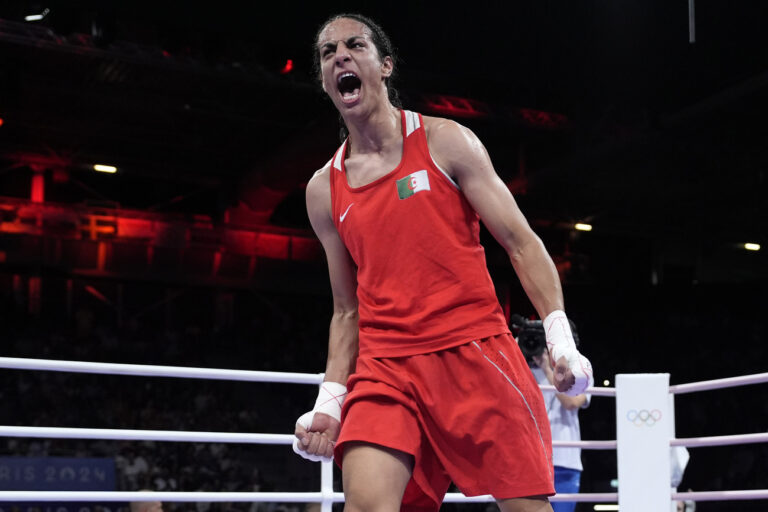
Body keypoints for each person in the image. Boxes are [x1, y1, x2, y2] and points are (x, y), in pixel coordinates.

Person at [293, 13, 593, 512]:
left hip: (475, 350)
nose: (340, 55)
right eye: (328, 52)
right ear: (325, 80)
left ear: (385, 65)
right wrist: (330, 399)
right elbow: (346, 310)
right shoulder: (323, 190)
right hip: (386, 367)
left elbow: (520, 242)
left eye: (355, 45)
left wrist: (560, 341)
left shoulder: (445, 141)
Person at [532, 349, 590, 512]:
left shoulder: (582, 371)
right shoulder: (521, 368)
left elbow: (571, 403)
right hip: (533, 459)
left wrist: (547, 370)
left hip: (564, 459)